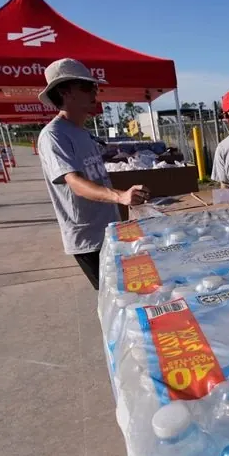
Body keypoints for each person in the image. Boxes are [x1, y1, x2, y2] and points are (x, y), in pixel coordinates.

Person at [36, 58, 148, 290]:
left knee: (132, 290)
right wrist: (120, 196)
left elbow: (94, 173)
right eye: (87, 87)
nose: (94, 92)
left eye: (95, 87)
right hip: (89, 238)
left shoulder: (82, 133)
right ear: (66, 92)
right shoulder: (54, 136)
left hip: (110, 228)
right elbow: (75, 183)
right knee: (115, 297)